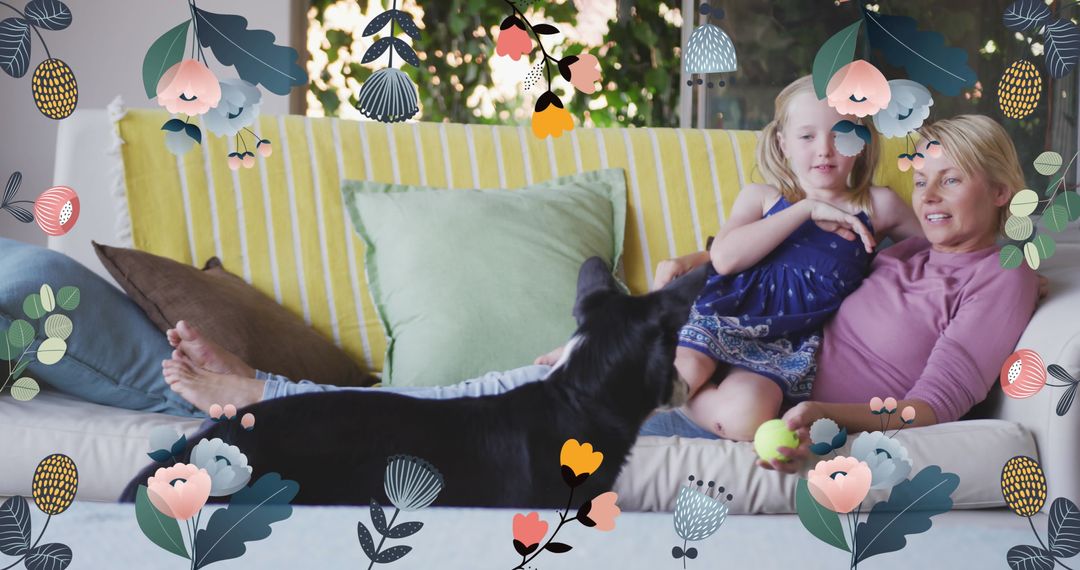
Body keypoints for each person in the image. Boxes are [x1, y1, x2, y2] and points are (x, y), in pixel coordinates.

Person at [161, 114, 1039, 475]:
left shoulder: (1003, 276)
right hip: (710, 370)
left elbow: (929, 407)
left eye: (952, 182)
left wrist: (827, 417)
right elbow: (800, 244)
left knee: (486, 417)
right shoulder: (896, 235)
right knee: (484, 404)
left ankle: (267, 404)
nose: (928, 196)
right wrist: (696, 263)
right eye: (922, 178)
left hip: (753, 408)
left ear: (1002, 191)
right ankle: (268, 400)